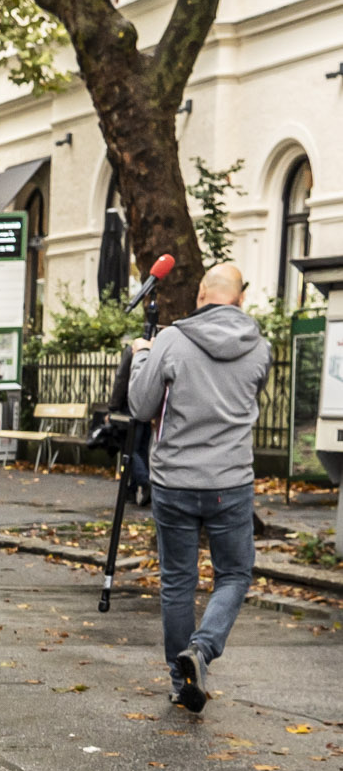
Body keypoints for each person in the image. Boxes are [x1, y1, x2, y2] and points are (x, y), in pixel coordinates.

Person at [127, 260, 271, 713]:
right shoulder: (259, 348)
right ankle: (203, 650)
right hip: (231, 481)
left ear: (200, 296)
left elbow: (140, 404)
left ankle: (180, 678)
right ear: (240, 299)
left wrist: (142, 355)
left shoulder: (171, 339)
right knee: (233, 574)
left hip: (175, 479)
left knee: (177, 582)